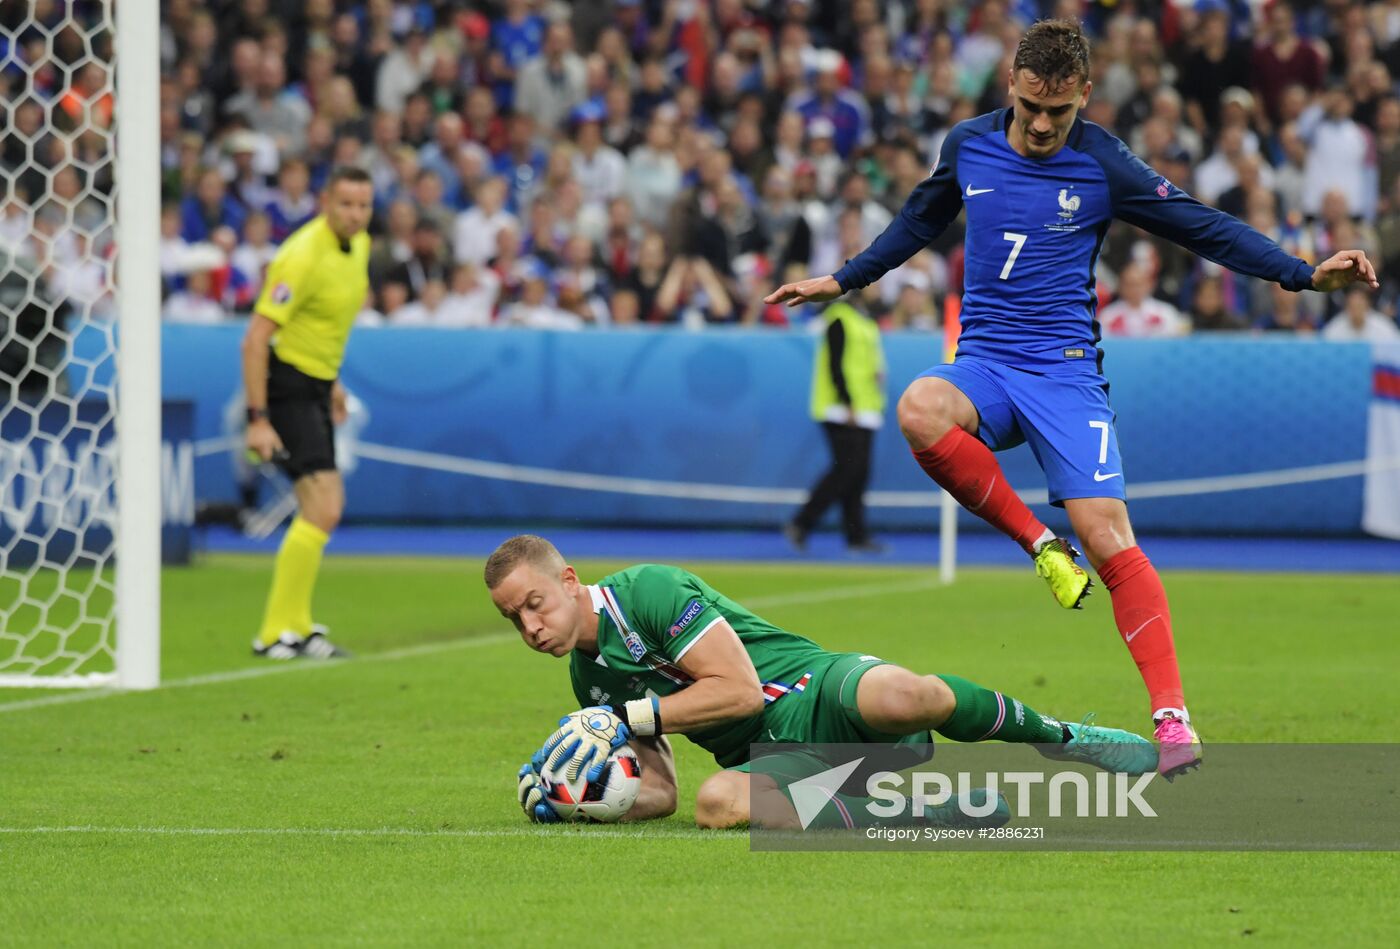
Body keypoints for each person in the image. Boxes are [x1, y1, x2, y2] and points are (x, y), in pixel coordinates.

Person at [764, 19, 1379, 778]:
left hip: (1062, 374)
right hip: (985, 364)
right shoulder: (968, 145)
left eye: (1059, 110)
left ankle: (1173, 720)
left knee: (1111, 537)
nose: (1044, 124)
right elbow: (919, 220)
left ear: (1084, 94)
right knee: (919, 407)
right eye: (1030, 108)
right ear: (1011, 89)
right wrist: (845, 278)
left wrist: (1302, 274)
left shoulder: (1103, 162)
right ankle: (1040, 546)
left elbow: (1201, 226)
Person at [487, 535, 1157, 829]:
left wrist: (627, 721)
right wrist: (577, 800)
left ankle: (1064, 736)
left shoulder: (649, 590)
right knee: (719, 804)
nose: (528, 625)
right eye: (513, 617)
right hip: (783, 761)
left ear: (568, 579)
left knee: (907, 695)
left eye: (534, 602)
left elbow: (742, 691)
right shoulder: (589, 680)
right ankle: (926, 810)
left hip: (818, 687)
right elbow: (662, 792)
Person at [242, 166, 373, 660]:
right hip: (288, 386)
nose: (355, 214)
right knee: (324, 506)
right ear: (324, 202)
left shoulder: (359, 247)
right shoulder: (299, 256)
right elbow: (255, 339)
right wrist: (258, 417)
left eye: (364, 205)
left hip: (317, 384)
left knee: (319, 509)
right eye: (346, 204)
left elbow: (323, 326)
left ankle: (295, 625)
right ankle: (274, 631)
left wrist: (333, 383)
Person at [785, 291, 887, 554]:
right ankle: (802, 522)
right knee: (846, 471)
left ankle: (855, 535)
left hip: (865, 407)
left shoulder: (864, 320)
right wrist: (846, 401)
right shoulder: (839, 319)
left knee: (858, 474)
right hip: (843, 409)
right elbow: (836, 364)